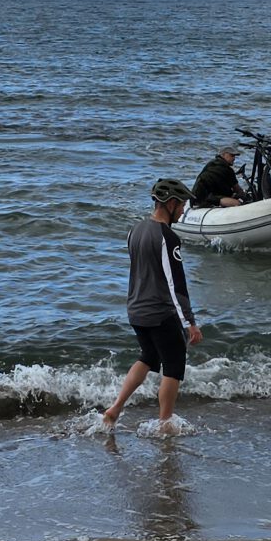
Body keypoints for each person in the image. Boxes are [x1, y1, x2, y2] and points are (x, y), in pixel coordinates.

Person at [100, 178, 204, 432]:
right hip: (159, 311)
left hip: (135, 310)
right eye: (181, 205)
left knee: (148, 356)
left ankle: (114, 409)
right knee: (174, 364)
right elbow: (175, 283)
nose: (182, 211)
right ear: (170, 204)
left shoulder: (134, 230)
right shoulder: (168, 237)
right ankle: (165, 422)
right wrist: (190, 322)